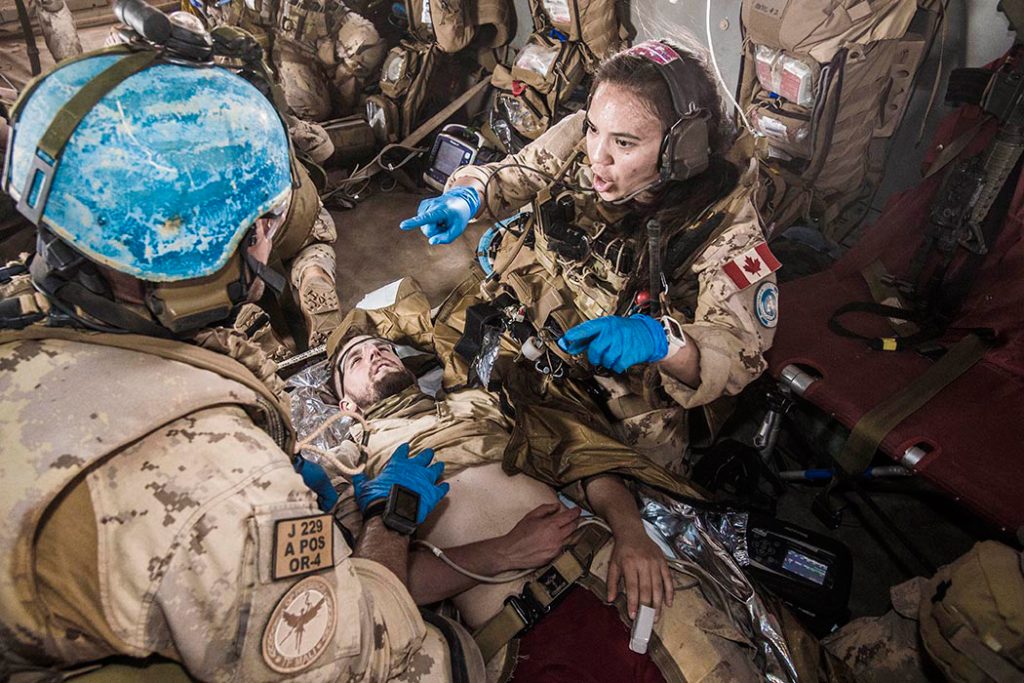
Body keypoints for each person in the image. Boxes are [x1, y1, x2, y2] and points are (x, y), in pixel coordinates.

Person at [0, 45, 461, 681]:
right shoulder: (221, 482)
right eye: (262, 223)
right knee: (436, 656)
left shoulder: (23, 311)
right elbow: (353, 649)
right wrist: (392, 519)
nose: (270, 236)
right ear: (227, 246)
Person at [285, 306, 848, 681]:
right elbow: (380, 592)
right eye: (354, 362)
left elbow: (581, 461)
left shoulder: (478, 404)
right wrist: (501, 553)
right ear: (346, 405)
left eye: (379, 347)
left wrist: (631, 532)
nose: (374, 356)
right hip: (526, 629)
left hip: (618, 570)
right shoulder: (353, 469)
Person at [398, 40, 781, 472]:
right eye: (595, 130)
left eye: (624, 142)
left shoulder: (727, 225)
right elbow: (517, 172)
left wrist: (662, 341)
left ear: (682, 149)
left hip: (613, 392)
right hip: (531, 325)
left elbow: (739, 349)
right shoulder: (582, 138)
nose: (597, 156)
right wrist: (469, 195)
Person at [185, 0, 386, 121]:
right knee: (313, 110)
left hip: (319, 20)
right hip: (281, 41)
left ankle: (347, 109)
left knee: (367, 44)